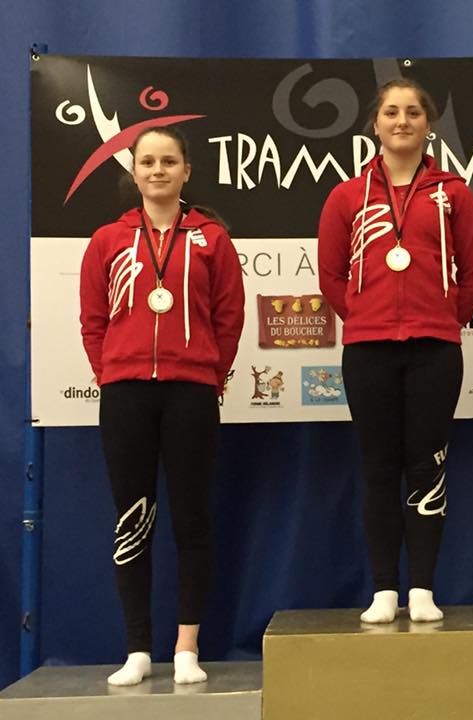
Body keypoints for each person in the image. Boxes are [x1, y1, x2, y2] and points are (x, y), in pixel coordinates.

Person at [317, 78, 473, 624]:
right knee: (377, 466)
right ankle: (384, 589)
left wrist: (440, 317)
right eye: (392, 112)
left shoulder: (454, 194)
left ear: (428, 124)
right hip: (368, 350)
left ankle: (423, 588)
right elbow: (330, 275)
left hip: (435, 349)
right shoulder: (347, 196)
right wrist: (364, 316)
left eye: (413, 112)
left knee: (427, 465)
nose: (402, 121)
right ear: (376, 124)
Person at [79, 126, 245, 685]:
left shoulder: (211, 239)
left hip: (191, 392)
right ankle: (137, 649)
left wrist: (208, 375)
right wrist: (111, 371)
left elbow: (229, 316)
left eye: (168, 161)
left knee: (192, 518)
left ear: (186, 171)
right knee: (133, 519)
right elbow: (93, 320)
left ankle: (186, 647)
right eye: (147, 161)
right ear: (133, 173)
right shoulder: (108, 240)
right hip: (125, 394)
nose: (157, 170)